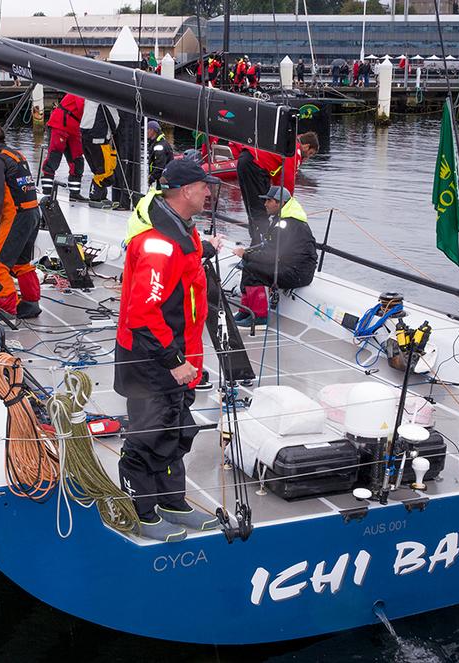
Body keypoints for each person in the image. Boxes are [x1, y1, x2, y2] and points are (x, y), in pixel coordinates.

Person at [114, 159, 224, 542]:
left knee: (175, 432)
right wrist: (175, 362)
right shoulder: (159, 245)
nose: (209, 192)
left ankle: (172, 503)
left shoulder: (183, 233)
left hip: (180, 358)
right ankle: (141, 509)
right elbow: (142, 314)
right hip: (153, 361)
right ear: (184, 191)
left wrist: (188, 362)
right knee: (147, 437)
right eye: (204, 186)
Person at [0, 123, 42, 318]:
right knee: (21, 262)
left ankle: (7, 311)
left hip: (16, 216)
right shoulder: (17, 155)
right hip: (33, 213)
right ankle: (31, 304)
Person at [233, 186, 317, 329]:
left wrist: (245, 254)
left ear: (280, 203)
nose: (265, 204)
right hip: (291, 266)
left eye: (269, 200)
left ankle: (259, 318)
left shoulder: (286, 223)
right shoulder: (283, 219)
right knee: (249, 266)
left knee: (253, 270)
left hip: (298, 273)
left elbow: (271, 256)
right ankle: (245, 311)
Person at [236, 131, 319, 241]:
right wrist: (287, 202)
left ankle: (256, 240)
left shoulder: (288, 141)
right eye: (310, 153)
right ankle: (263, 243)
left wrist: (275, 194)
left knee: (252, 206)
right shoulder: (294, 151)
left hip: (246, 160)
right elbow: (288, 178)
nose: (308, 157)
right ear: (307, 146)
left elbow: (278, 175)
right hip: (256, 166)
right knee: (262, 208)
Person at [40, 92, 85, 200]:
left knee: (77, 160)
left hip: (74, 129)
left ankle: (74, 194)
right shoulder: (81, 90)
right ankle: (47, 192)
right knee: (54, 157)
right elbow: (82, 108)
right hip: (60, 125)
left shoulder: (87, 92)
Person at [80, 100, 121, 208]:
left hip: (86, 138)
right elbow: (114, 121)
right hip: (99, 138)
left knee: (98, 170)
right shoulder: (105, 100)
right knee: (105, 172)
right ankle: (95, 197)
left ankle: (101, 196)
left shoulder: (89, 99)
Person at [147, 119, 174, 186]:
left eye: (147, 129)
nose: (146, 132)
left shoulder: (159, 146)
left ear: (152, 130)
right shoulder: (156, 142)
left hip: (163, 178)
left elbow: (160, 165)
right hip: (160, 176)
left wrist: (151, 178)